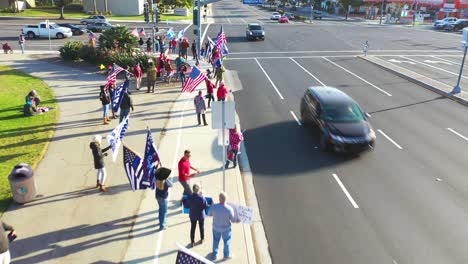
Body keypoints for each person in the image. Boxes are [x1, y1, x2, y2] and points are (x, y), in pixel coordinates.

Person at [208, 192, 237, 260]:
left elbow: (209, 214)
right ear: (226, 199)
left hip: (216, 228)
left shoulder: (214, 207)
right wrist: (237, 220)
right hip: (226, 229)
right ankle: (226, 255)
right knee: (227, 241)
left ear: (219, 199)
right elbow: (233, 220)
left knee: (216, 240)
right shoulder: (229, 209)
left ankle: (215, 254)